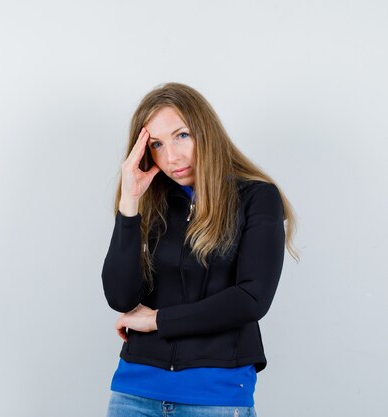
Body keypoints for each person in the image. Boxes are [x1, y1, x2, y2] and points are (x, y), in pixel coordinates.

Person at [101, 82, 298, 417]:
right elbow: (120, 299)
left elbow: (251, 298)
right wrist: (129, 202)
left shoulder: (257, 198)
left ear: (205, 130)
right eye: (157, 145)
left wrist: (159, 320)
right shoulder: (155, 202)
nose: (171, 157)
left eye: (182, 135)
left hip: (214, 396)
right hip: (134, 393)